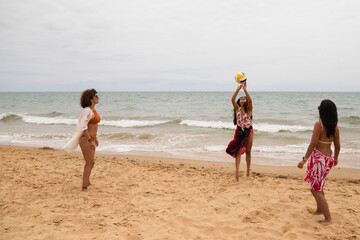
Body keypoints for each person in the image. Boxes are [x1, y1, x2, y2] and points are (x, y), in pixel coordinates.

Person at [297, 99, 340, 225]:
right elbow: (337, 146)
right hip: (328, 159)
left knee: (315, 189)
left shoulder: (319, 125)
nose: (318, 109)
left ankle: (328, 218)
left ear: (323, 111)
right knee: (318, 186)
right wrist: (335, 158)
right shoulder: (335, 127)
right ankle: (320, 209)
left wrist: (303, 160)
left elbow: (313, 143)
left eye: (319, 107)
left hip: (319, 160)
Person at [64, 89, 100, 190]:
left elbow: (92, 125)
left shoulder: (93, 110)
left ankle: (87, 181)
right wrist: (89, 140)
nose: (98, 97)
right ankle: (84, 186)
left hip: (91, 138)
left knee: (91, 162)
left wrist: (95, 138)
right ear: (90, 98)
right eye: (96, 96)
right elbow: (83, 127)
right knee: (89, 162)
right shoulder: (87, 111)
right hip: (85, 139)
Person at [226, 82, 253, 181]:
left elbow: (250, 101)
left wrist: (245, 89)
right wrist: (238, 89)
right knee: (238, 151)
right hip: (239, 131)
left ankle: (247, 172)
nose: (243, 99)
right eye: (241, 98)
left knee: (248, 151)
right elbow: (232, 99)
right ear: (239, 101)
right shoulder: (237, 109)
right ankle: (237, 172)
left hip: (248, 131)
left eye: (244, 98)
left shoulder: (249, 110)